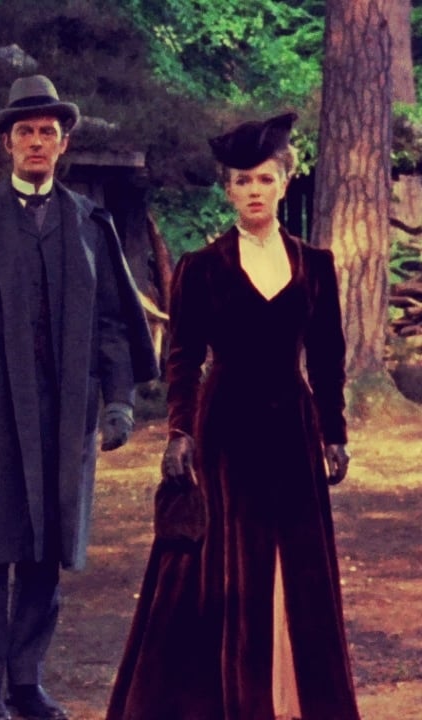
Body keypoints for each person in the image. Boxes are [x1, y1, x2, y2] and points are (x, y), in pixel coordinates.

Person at [106, 112, 361, 720]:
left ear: (284, 183)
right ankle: (227, 698)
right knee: (224, 567)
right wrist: (180, 431)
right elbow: (183, 359)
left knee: (296, 563)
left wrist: (334, 432)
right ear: (227, 190)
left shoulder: (315, 265)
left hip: (293, 428)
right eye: (242, 181)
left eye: (265, 179)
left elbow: (328, 357)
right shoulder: (202, 267)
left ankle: (292, 698)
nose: (253, 190)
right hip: (225, 430)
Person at [0, 75, 159, 720]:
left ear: (64, 145)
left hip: (65, 412)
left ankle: (25, 681)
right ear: (7, 142)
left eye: (48, 132)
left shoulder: (89, 224)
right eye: (25, 131)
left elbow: (114, 320)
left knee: (46, 550)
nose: (37, 142)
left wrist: (117, 400)